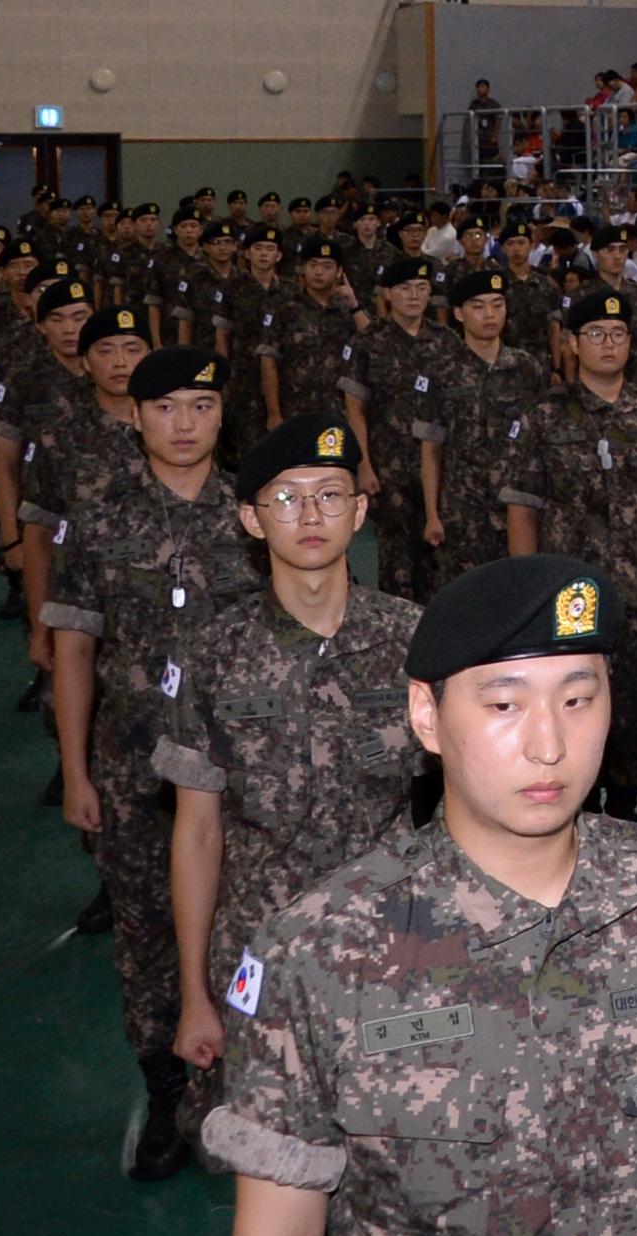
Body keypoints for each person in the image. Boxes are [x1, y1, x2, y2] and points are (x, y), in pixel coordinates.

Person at [203, 556, 637, 1236]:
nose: (549, 745)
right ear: (426, 714)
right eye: (503, 704)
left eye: (578, 699)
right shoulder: (319, 954)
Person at [157, 413, 424, 1139]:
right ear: (250, 519)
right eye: (286, 498)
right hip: (262, 948)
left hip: (392, 949)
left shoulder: (413, 641)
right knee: (278, 1172)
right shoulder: (213, 652)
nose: (310, 515)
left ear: (360, 510)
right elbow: (197, 831)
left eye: (331, 494)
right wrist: (194, 995)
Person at [45, 341, 253, 1180]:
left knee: (244, 926)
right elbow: (72, 653)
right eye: (165, 407)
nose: (183, 423)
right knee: (147, 935)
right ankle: (167, 1093)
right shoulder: (99, 513)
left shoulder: (252, 512)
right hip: (136, 771)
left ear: (220, 414)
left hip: (239, 767)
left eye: (200, 407)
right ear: (135, 415)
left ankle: (248, 1089)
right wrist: (76, 771)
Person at [502, 287, 637, 819]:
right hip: (565, 600)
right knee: (569, 709)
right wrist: (526, 589)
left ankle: (624, 811)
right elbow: (523, 507)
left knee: (636, 712)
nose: (608, 344)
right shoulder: (544, 416)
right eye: (595, 335)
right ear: (572, 344)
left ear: (630, 344)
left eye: (618, 334)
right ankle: (575, 812)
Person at [412, 266, 545, 581]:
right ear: (458, 314)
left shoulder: (526, 368)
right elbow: (431, 450)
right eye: (478, 306)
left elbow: (542, 443)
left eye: (497, 304)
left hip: (519, 509)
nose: (490, 314)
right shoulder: (440, 370)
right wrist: (432, 514)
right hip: (462, 512)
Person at [340, 255, 442, 602]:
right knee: (397, 560)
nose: (414, 296)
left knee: (438, 560)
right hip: (389, 464)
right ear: (388, 294)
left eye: (422, 288)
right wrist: (363, 465)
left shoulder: (445, 342)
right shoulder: (369, 342)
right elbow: (355, 408)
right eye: (405, 288)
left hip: (439, 467)